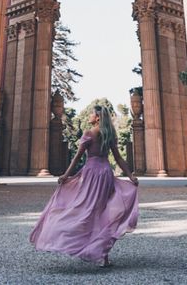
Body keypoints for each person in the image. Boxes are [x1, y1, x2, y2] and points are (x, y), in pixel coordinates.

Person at [29, 104, 139, 268]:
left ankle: (71, 241)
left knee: (84, 208)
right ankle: (103, 256)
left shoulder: (89, 134)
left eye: (92, 114)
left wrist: (66, 175)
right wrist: (130, 175)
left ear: (98, 117)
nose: (89, 116)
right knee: (102, 213)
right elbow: (118, 159)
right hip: (106, 174)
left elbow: (76, 158)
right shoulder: (109, 135)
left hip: (92, 174)